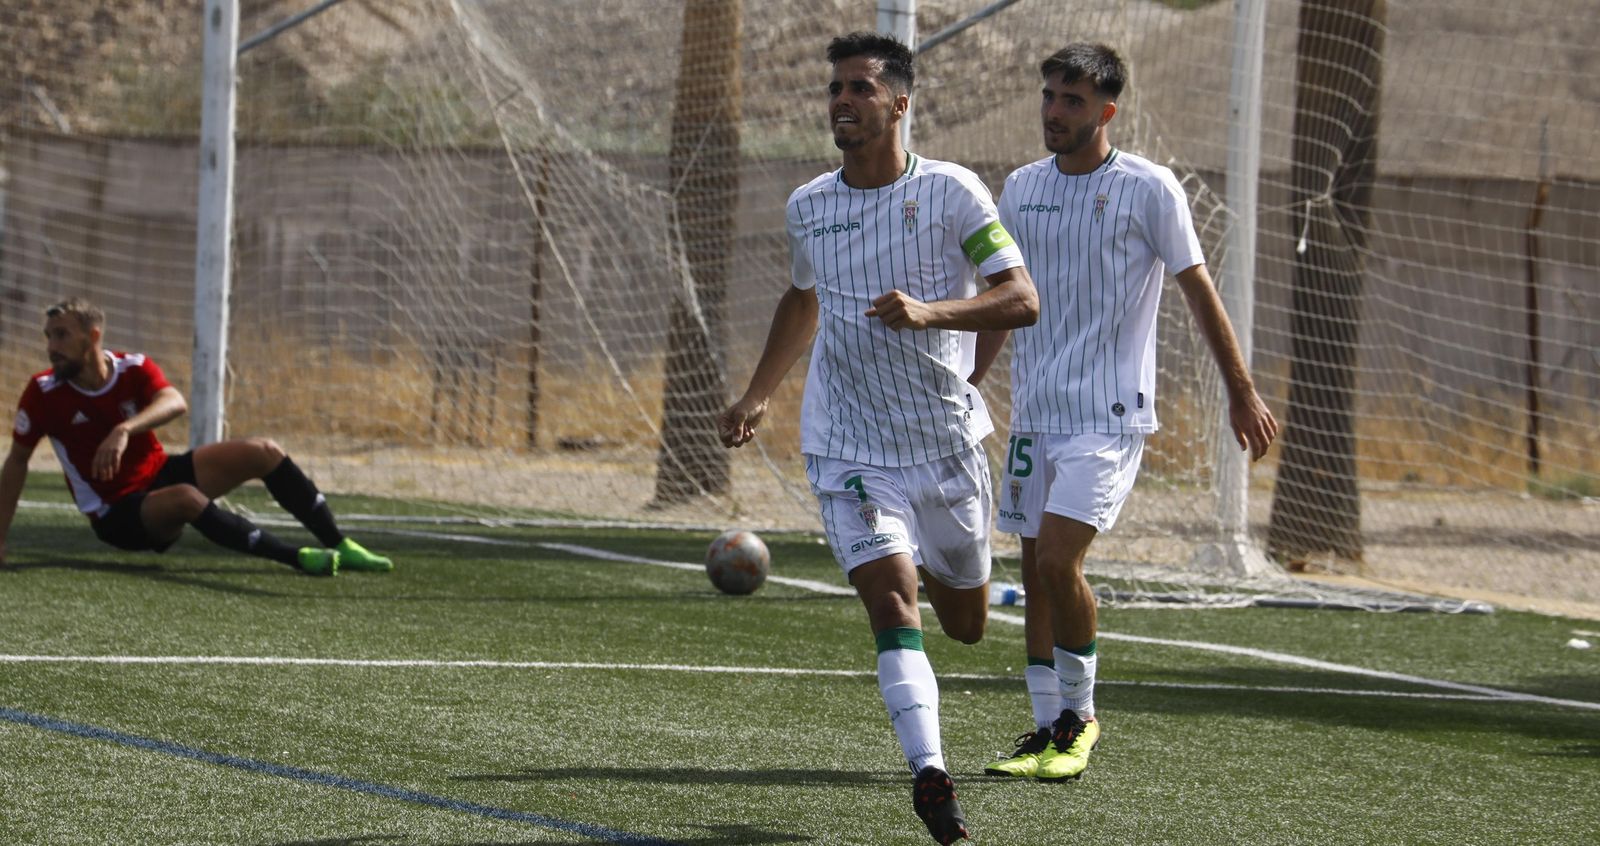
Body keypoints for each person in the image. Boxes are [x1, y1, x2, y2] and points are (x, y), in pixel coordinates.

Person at [719, 32, 1037, 846]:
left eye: (860, 88)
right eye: (835, 89)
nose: (841, 101)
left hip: (945, 444)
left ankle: (939, 569)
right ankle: (932, 779)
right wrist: (758, 393)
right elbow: (802, 299)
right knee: (894, 604)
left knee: (963, 622)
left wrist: (932, 312)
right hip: (847, 446)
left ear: (900, 103)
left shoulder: (955, 194)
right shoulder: (809, 206)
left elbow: (1020, 297)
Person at [983, 43, 1278, 782]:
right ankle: (1047, 726)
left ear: (1107, 110)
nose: (1054, 111)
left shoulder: (1150, 188)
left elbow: (1199, 290)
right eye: (1049, 96)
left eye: (1072, 100)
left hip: (1107, 416)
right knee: (1033, 566)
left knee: (1058, 560)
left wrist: (1240, 391)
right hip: (1035, 415)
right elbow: (1005, 299)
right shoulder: (1020, 188)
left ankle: (1080, 721)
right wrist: (968, 381)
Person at [0, 297, 393, 576]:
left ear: (93, 336)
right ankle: (296, 558)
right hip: (116, 512)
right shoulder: (43, 393)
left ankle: (341, 544)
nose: (51, 347)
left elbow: (174, 401)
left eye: (62, 335)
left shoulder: (134, 368)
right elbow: (17, 461)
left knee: (264, 451)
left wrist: (124, 429)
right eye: (48, 336)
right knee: (187, 498)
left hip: (160, 474)